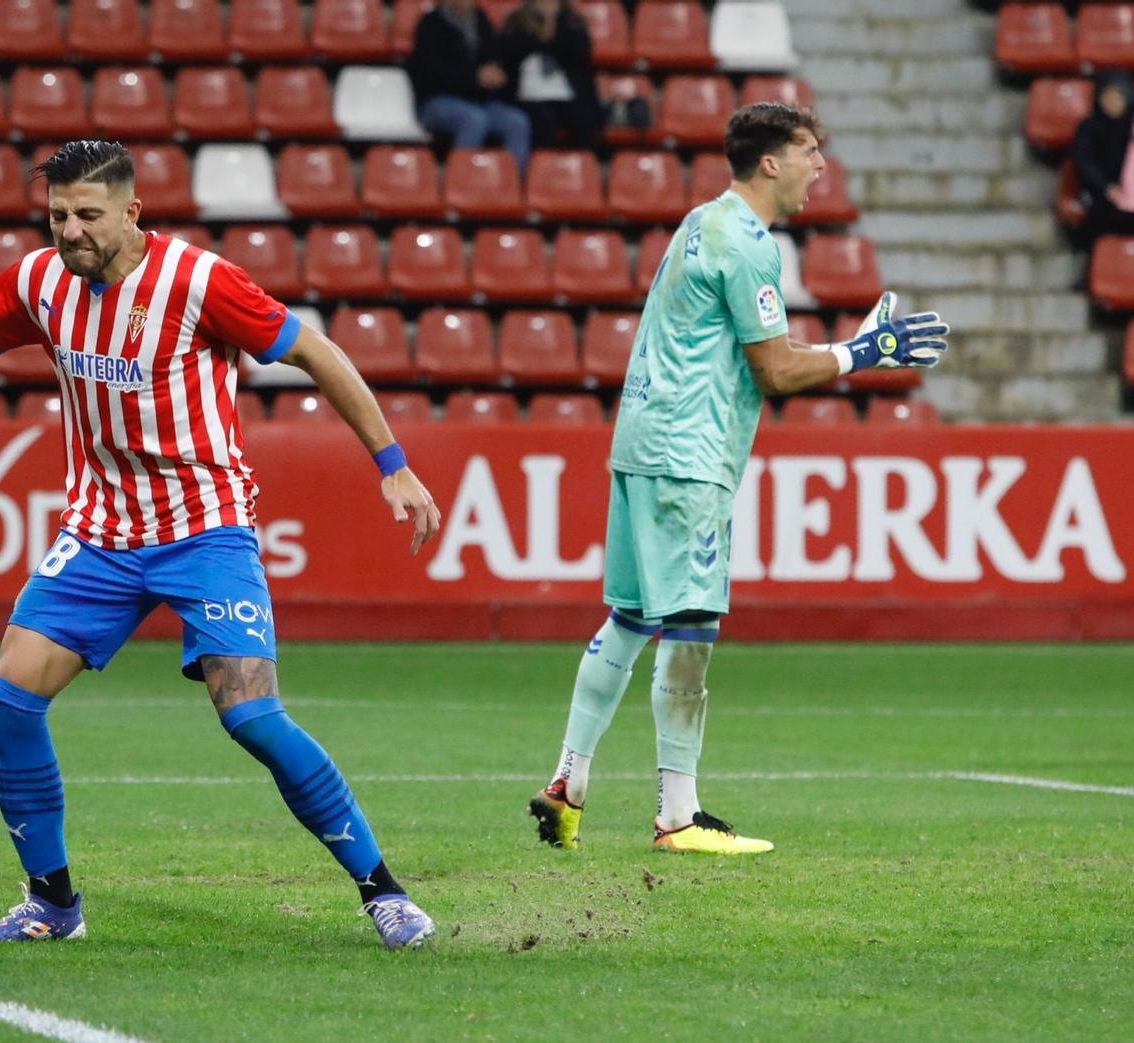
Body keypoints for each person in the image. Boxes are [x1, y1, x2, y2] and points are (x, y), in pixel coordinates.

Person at [0, 141, 444, 949]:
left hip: (205, 525)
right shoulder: (38, 282)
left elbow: (317, 352)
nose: (70, 231)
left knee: (253, 716)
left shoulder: (199, 282)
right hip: (100, 531)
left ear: (132, 213)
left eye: (88, 215)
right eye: (58, 214)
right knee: (9, 695)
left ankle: (383, 890)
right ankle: (52, 903)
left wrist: (394, 466)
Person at [526, 104, 952, 854]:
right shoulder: (749, 245)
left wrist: (855, 344)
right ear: (771, 163)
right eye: (810, 151)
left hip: (639, 445)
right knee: (691, 626)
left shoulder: (700, 222)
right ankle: (678, 817)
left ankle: (568, 782)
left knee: (628, 618)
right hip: (690, 455)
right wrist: (865, 351)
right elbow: (776, 368)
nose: (820, 166)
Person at [406, 0, 533, 168]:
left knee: (517, 121)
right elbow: (430, 73)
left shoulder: (482, 21)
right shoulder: (430, 24)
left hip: (478, 100)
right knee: (473, 119)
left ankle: (513, 183)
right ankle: (461, 181)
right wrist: (473, 77)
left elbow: (493, 55)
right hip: (437, 101)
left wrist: (495, 72)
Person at [496, 0, 601, 153]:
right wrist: (541, 33)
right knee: (543, 121)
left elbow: (581, 57)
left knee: (583, 118)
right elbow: (508, 55)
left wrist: (553, 32)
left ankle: (580, 169)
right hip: (528, 95)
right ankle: (542, 171)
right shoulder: (516, 22)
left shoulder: (573, 23)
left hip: (566, 93)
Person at [1069, 71, 1134, 244]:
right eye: (1107, 97)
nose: (1112, 103)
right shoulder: (1087, 127)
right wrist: (1107, 188)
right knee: (1099, 213)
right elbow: (1084, 163)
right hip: (1099, 190)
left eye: (1118, 97)